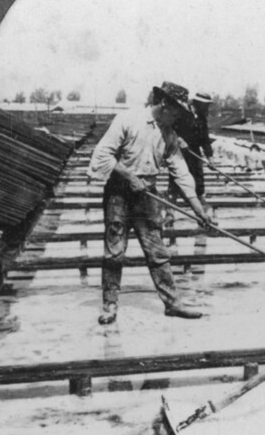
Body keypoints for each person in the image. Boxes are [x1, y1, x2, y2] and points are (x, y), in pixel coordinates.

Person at [87, 81, 209, 324]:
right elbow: (101, 156)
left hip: (148, 194)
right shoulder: (128, 120)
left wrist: (198, 210)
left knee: (157, 251)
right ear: (165, 104)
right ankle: (109, 305)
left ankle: (172, 303)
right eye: (177, 112)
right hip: (119, 193)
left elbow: (181, 173)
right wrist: (130, 176)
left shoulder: (169, 134)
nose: (178, 118)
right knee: (114, 252)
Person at [169, 90, 216, 223]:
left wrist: (210, 158)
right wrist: (178, 139)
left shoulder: (201, 118)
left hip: (194, 154)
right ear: (198, 103)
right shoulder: (182, 113)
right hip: (178, 154)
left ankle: (203, 217)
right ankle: (169, 215)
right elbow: (169, 130)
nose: (207, 107)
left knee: (199, 184)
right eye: (206, 104)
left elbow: (205, 140)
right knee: (175, 184)